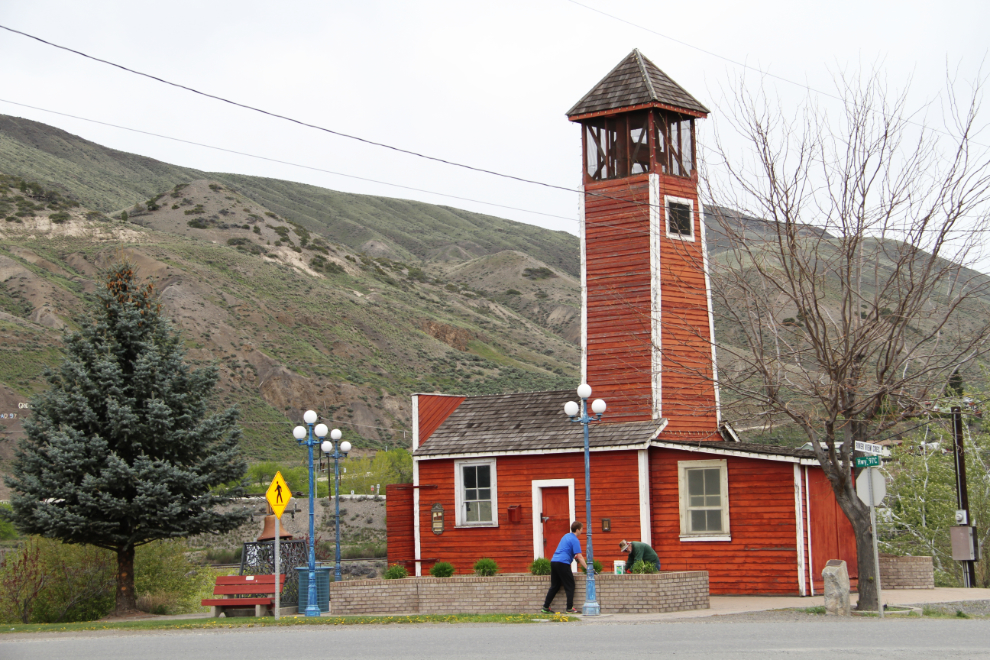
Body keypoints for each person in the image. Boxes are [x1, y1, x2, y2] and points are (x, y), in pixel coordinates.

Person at [541, 521, 588, 614]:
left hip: (554, 562)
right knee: (570, 585)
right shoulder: (575, 539)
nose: (582, 531)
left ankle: (545, 607)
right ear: (577, 529)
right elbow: (579, 556)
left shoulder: (566, 536)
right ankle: (569, 608)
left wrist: (572, 556)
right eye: (581, 529)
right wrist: (588, 568)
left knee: (555, 586)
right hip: (563, 563)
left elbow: (565, 549)